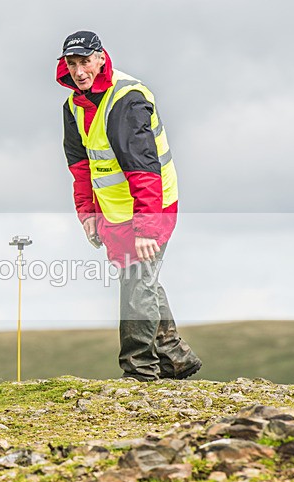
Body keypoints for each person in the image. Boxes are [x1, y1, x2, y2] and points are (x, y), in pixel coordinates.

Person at [56, 31, 201, 382]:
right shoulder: (74, 105)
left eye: (85, 62)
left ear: (101, 58)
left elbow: (144, 168)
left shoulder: (127, 99)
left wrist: (147, 228)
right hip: (114, 211)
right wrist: (88, 214)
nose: (79, 71)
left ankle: (140, 370)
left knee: (137, 281)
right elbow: (80, 166)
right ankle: (175, 356)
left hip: (152, 205)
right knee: (141, 280)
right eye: (72, 64)